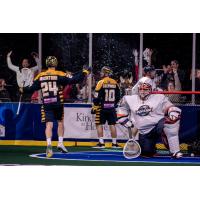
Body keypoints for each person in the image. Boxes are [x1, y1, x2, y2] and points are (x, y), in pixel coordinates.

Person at [20, 56, 90, 157]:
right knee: (60, 122)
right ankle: (60, 143)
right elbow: (74, 79)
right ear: (55, 64)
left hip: (47, 102)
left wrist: (22, 89)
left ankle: (49, 145)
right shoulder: (59, 74)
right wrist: (84, 72)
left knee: (49, 124)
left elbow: (31, 88)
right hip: (57, 102)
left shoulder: (40, 75)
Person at [117, 77, 182, 158]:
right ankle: (151, 148)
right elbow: (121, 109)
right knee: (146, 153)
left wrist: (172, 111)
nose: (143, 91)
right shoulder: (130, 98)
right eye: (141, 89)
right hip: (144, 132)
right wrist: (123, 119)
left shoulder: (159, 97)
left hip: (158, 125)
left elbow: (170, 107)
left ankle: (175, 151)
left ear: (151, 89)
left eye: (146, 89)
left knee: (171, 123)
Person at [91, 66, 121, 148]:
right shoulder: (115, 82)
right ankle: (114, 143)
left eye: (102, 72)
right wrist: (114, 104)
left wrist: (95, 105)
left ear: (105, 73)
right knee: (112, 125)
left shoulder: (101, 82)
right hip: (111, 107)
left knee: (99, 124)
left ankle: (101, 143)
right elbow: (118, 96)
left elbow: (96, 96)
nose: (101, 73)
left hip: (102, 107)